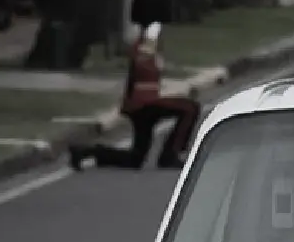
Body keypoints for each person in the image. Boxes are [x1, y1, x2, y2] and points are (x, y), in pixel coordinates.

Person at [69, 22, 200, 172]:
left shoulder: (149, 50)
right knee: (190, 108)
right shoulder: (145, 47)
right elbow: (142, 63)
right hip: (145, 103)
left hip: (141, 105)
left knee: (136, 159)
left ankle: (85, 152)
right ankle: (171, 154)